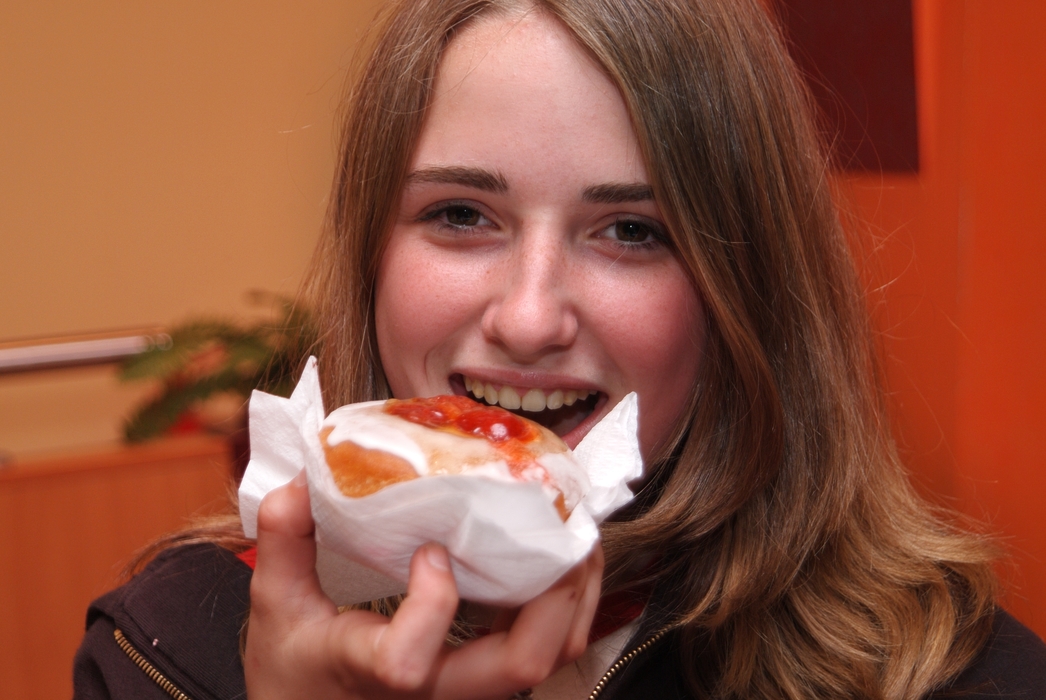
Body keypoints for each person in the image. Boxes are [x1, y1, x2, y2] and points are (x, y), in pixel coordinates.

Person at [74, 0, 1046, 698]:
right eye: (460, 214)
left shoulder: (955, 675)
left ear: (745, 294)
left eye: (630, 231)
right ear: (371, 257)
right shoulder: (171, 649)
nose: (530, 318)